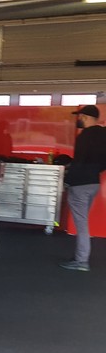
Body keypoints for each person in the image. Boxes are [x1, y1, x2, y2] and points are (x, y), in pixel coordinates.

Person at [60, 105, 106, 272]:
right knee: (83, 221)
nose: (78, 119)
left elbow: (79, 161)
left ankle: (81, 261)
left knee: (81, 224)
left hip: (80, 185)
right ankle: (80, 257)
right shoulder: (104, 134)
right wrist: (94, 171)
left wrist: (67, 181)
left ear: (86, 117)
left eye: (79, 116)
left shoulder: (84, 136)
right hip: (94, 183)